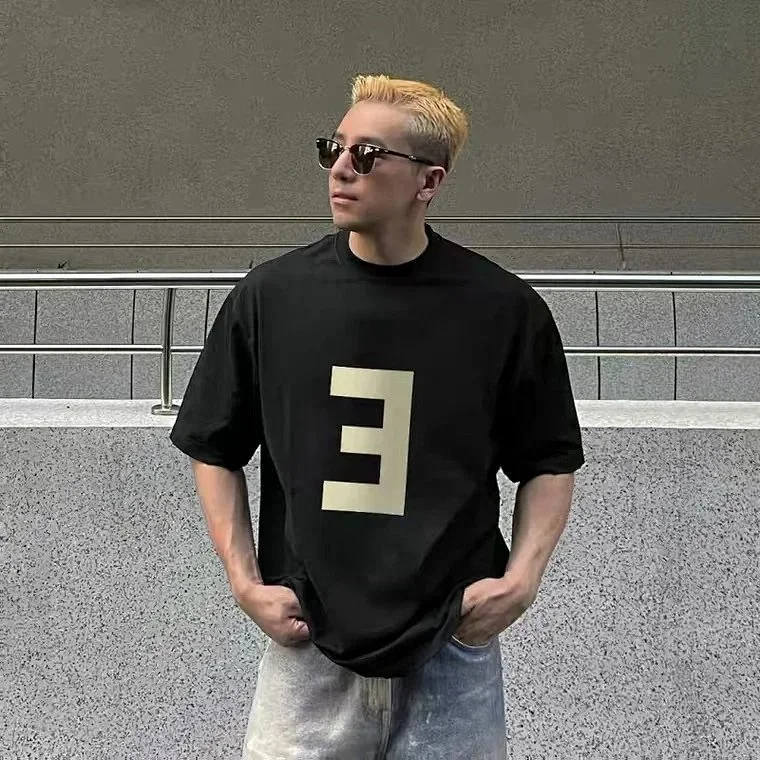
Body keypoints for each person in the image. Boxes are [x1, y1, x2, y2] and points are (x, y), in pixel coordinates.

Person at [170, 73, 585, 760]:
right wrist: (245, 583)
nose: (340, 168)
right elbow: (212, 443)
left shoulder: (504, 311)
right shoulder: (272, 298)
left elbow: (549, 459)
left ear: (429, 181)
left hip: (450, 652)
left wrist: (521, 582)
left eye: (366, 155)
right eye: (333, 148)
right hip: (307, 648)